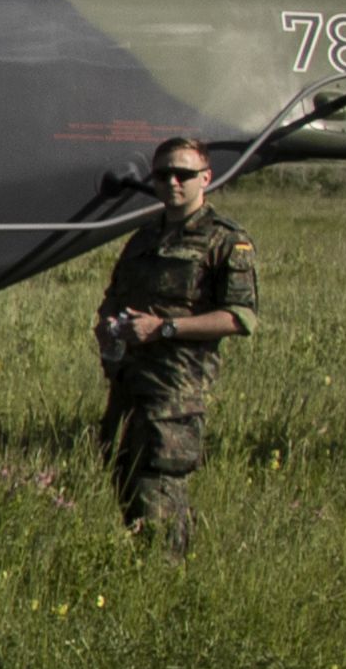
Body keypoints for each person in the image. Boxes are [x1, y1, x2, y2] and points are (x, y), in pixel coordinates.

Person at [93, 135, 258, 548]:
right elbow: (115, 295)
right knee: (123, 479)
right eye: (162, 174)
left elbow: (240, 317)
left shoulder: (225, 241)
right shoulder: (143, 238)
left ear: (206, 178)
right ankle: (152, 567)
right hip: (129, 382)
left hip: (175, 392)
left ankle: (166, 579)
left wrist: (164, 328)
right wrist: (107, 325)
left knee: (160, 487)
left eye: (182, 174)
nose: (172, 183)